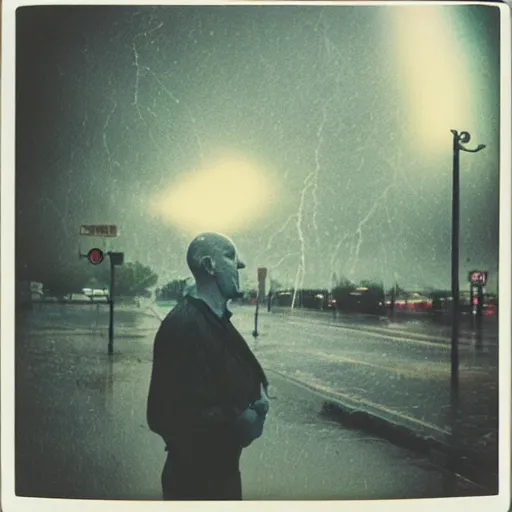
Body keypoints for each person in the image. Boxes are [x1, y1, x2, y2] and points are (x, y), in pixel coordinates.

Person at [147, 232, 270, 500]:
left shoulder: (217, 322)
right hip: (196, 483)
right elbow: (161, 414)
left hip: (222, 475)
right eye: (229, 256)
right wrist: (240, 421)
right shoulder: (183, 325)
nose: (241, 266)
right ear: (208, 265)